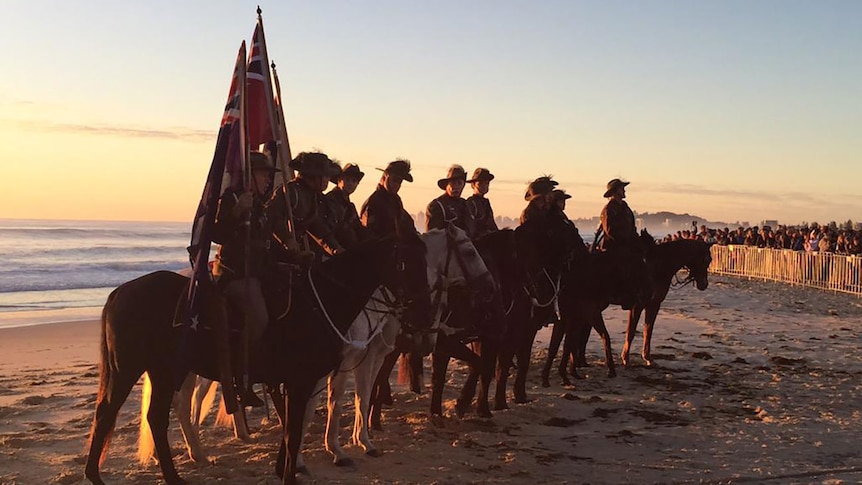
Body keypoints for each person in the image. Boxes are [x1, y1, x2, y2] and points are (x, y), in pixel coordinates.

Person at [211, 151, 283, 407]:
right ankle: (242, 376)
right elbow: (216, 234)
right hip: (235, 274)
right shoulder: (231, 199)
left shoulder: (261, 204)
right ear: (250, 174)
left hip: (259, 272)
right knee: (259, 317)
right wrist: (237, 210)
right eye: (264, 174)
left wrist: (292, 255)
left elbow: (266, 244)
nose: (268, 180)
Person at [268, 151, 345, 261]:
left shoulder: (312, 196)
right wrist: (287, 239)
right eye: (326, 176)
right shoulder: (291, 191)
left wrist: (335, 248)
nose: (328, 180)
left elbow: (317, 227)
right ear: (315, 177)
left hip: (297, 251)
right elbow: (272, 215)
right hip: (276, 254)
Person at [598, 178, 642, 310]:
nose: (624, 191)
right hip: (613, 247)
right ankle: (623, 294)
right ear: (615, 192)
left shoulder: (625, 207)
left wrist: (636, 241)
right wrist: (627, 242)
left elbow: (632, 228)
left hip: (628, 244)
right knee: (624, 264)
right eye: (621, 188)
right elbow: (611, 231)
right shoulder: (609, 209)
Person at [360, 159, 416, 238]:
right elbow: (369, 235)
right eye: (394, 180)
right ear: (384, 177)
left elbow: (408, 225)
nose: (396, 185)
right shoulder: (374, 202)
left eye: (400, 182)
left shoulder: (396, 201)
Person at [324, 163, 366, 249]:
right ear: (339, 180)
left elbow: (359, 229)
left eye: (354, 181)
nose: (350, 184)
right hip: (333, 251)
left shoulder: (350, 206)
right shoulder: (330, 200)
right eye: (347, 180)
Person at [426, 165, 469, 232]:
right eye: (453, 183)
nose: (456, 186)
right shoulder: (436, 206)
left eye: (459, 183)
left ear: (463, 185)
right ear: (447, 185)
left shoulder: (466, 205)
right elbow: (432, 236)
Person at [465, 168, 499, 240]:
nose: (484, 186)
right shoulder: (471, 203)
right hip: (477, 241)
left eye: (486, 183)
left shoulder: (486, 202)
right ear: (473, 185)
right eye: (480, 183)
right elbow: (470, 227)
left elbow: (492, 223)